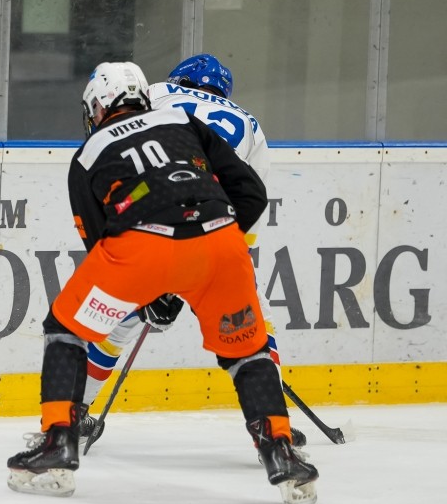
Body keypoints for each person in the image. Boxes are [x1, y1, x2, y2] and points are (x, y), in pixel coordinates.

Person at [6, 62, 318, 504]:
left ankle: (59, 441)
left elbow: (98, 241)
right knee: (248, 350)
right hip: (222, 243)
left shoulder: (91, 151)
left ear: (98, 105)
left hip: (141, 247)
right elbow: (251, 193)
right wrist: (218, 235)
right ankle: (281, 451)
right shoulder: (187, 122)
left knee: (66, 327)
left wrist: (148, 286)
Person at [80, 53, 306, 449]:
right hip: (217, 228)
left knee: (119, 316)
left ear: (179, 80)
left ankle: (73, 411)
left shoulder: (155, 93)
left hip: (154, 221)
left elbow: (124, 148)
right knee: (253, 325)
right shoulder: (250, 124)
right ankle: (273, 427)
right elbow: (252, 197)